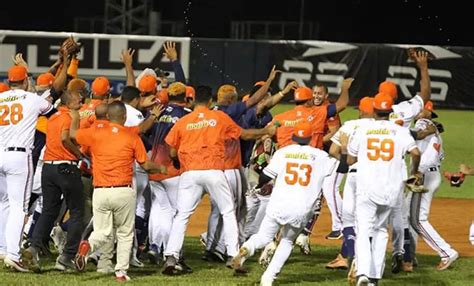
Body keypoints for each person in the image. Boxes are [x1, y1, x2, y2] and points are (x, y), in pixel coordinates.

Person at [161, 85, 276, 275]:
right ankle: (233, 256)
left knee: (182, 215)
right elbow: (245, 134)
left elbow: (172, 150)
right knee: (228, 212)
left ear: (195, 100)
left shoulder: (184, 121)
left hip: (189, 173)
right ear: (210, 102)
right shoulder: (219, 117)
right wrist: (266, 131)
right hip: (214, 170)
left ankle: (171, 257)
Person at [231, 122, 338, 286]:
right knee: (287, 241)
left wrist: (260, 185)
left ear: (294, 137)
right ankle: (268, 278)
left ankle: (247, 249)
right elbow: (341, 167)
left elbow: (265, 177)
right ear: (310, 138)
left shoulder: (283, 152)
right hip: (301, 207)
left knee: (263, 236)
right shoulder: (321, 156)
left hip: (279, 203)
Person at [71, 101, 166, 281]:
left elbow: (73, 134)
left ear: (107, 117)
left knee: (102, 232)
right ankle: (121, 272)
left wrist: (75, 117)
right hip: (123, 190)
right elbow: (145, 165)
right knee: (124, 233)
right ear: (124, 118)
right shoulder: (131, 135)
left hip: (100, 190)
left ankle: (87, 247)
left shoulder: (95, 134)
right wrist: (161, 168)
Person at [346, 93, 421, 285]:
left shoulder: (363, 130)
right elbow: (415, 152)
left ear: (373, 109)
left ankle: (362, 273)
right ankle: (374, 278)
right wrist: (414, 172)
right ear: (390, 111)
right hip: (390, 190)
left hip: (367, 188)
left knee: (363, 230)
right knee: (380, 230)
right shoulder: (400, 130)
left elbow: (350, 159)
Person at [23, 90, 86, 272]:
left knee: (49, 211)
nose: (80, 98)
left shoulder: (53, 117)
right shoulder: (69, 116)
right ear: (68, 102)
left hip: (48, 168)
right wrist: (79, 154)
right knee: (76, 213)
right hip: (66, 167)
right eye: (76, 97)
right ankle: (66, 257)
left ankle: (34, 248)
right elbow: (66, 138)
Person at [0, 65, 53, 272]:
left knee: (2, 203)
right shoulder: (32, 99)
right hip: (19, 156)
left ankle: (3, 248)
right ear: (24, 81)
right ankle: (13, 255)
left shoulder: (1, 98)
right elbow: (51, 111)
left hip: (0, 153)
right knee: (19, 207)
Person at [324, 96, 375, 272]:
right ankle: (348, 257)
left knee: (348, 219)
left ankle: (351, 256)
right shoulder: (380, 128)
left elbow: (332, 151)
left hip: (354, 176)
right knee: (370, 221)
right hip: (376, 176)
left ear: (361, 110)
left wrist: (347, 159)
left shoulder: (350, 125)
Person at [408, 101, 458, 271]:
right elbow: (439, 155)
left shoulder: (423, 124)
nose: (421, 114)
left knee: (418, 220)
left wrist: (418, 173)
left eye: (424, 111)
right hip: (431, 174)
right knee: (408, 215)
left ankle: (446, 252)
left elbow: (416, 134)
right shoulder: (436, 132)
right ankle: (409, 256)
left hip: (423, 175)